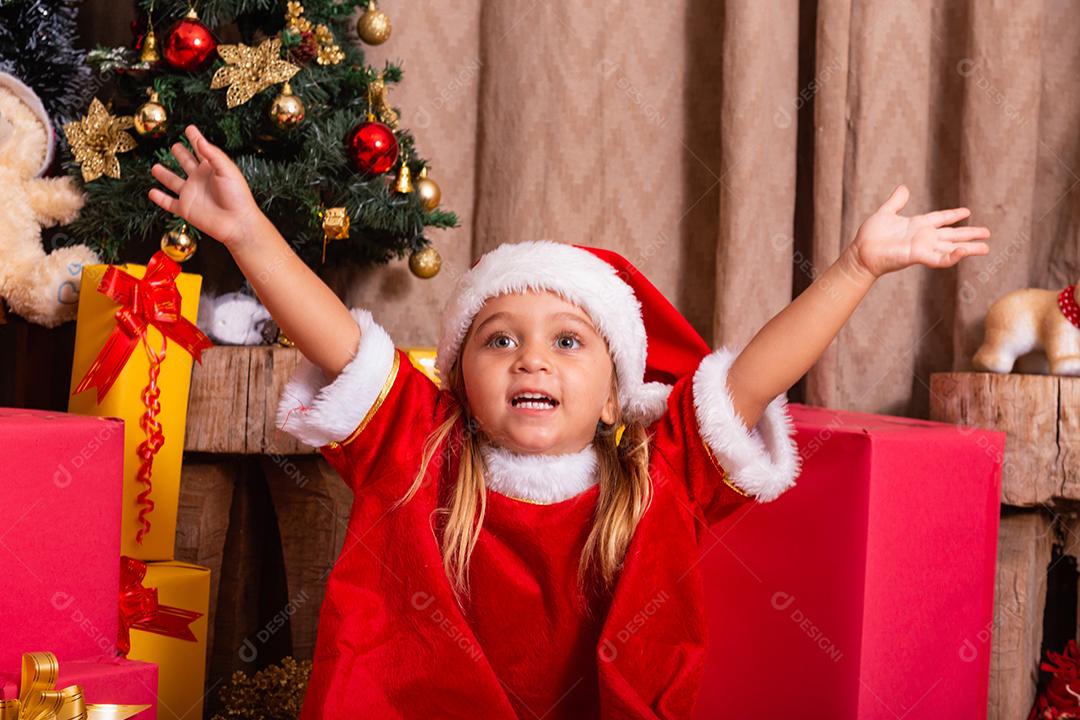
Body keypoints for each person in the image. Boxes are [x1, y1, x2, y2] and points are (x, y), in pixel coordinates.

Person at [149, 124, 991, 719]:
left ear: (616, 391)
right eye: (500, 340)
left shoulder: (661, 473)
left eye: (567, 342)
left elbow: (752, 379)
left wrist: (855, 267)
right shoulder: (415, 446)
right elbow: (338, 339)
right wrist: (250, 233)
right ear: (455, 378)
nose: (532, 360)